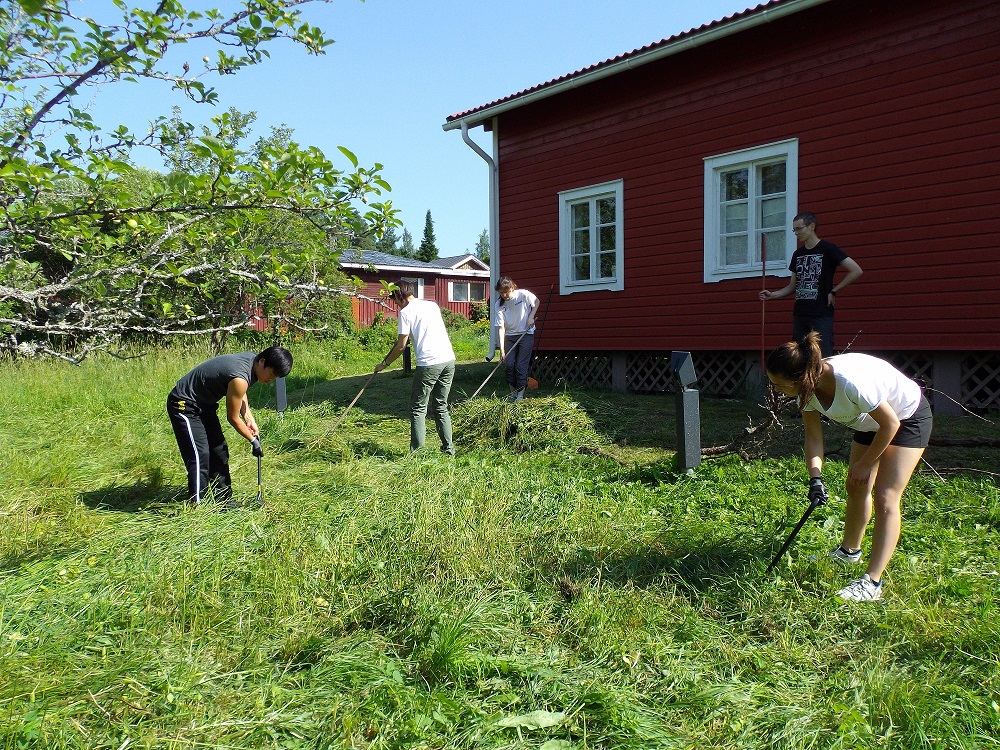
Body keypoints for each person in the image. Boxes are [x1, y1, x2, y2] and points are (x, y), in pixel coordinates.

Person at [765, 332, 932, 602]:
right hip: (870, 422)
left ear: (801, 377)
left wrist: (866, 463)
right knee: (856, 487)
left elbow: (890, 424)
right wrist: (815, 479)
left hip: (905, 417)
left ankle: (872, 583)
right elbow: (813, 438)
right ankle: (849, 552)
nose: (778, 391)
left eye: (781, 385)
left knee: (886, 497)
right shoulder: (807, 390)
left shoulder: (850, 383)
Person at [167, 346, 292, 507]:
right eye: (272, 374)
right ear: (262, 362)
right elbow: (232, 418)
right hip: (184, 404)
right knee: (200, 456)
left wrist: (248, 418)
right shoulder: (240, 375)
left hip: (205, 406)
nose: (271, 380)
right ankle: (196, 507)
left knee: (219, 451)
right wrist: (253, 441)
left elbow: (241, 392)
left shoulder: (252, 363)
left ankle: (223, 500)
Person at [759, 211, 863, 357]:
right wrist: (772, 295)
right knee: (800, 357)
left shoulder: (828, 249)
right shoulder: (798, 254)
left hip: (821, 313)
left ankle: (821, 380)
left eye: (799, 228)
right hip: (800, 314)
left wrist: (834, 291)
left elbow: (856, 270)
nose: (796, 233)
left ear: (812, 226)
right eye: (794, 229)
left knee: (822, 356)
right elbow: (792, 286)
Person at [375, 281, 456, 456]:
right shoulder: (431, 305)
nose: (394, 303)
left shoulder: (406, 312)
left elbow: (401, 346)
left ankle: (417, 454)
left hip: (429, 363)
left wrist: (385, 364)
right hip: (448, 360)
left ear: (399, 295)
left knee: (418, 408)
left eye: (394, 298)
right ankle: (449, 450)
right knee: (441, 406)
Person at [494, 276, 539, 401]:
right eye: (501, 292)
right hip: (511, 336)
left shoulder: (523, 295)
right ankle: (512, 393)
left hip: (526, 334)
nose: (505, 295)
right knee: (509, 365)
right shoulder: (499, 304)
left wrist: (531, 317)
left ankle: (520, 395)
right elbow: (501, 328)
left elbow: (537, 302)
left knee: (520, 365)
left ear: (512, 287)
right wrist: (502, 350)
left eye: (506, 291)